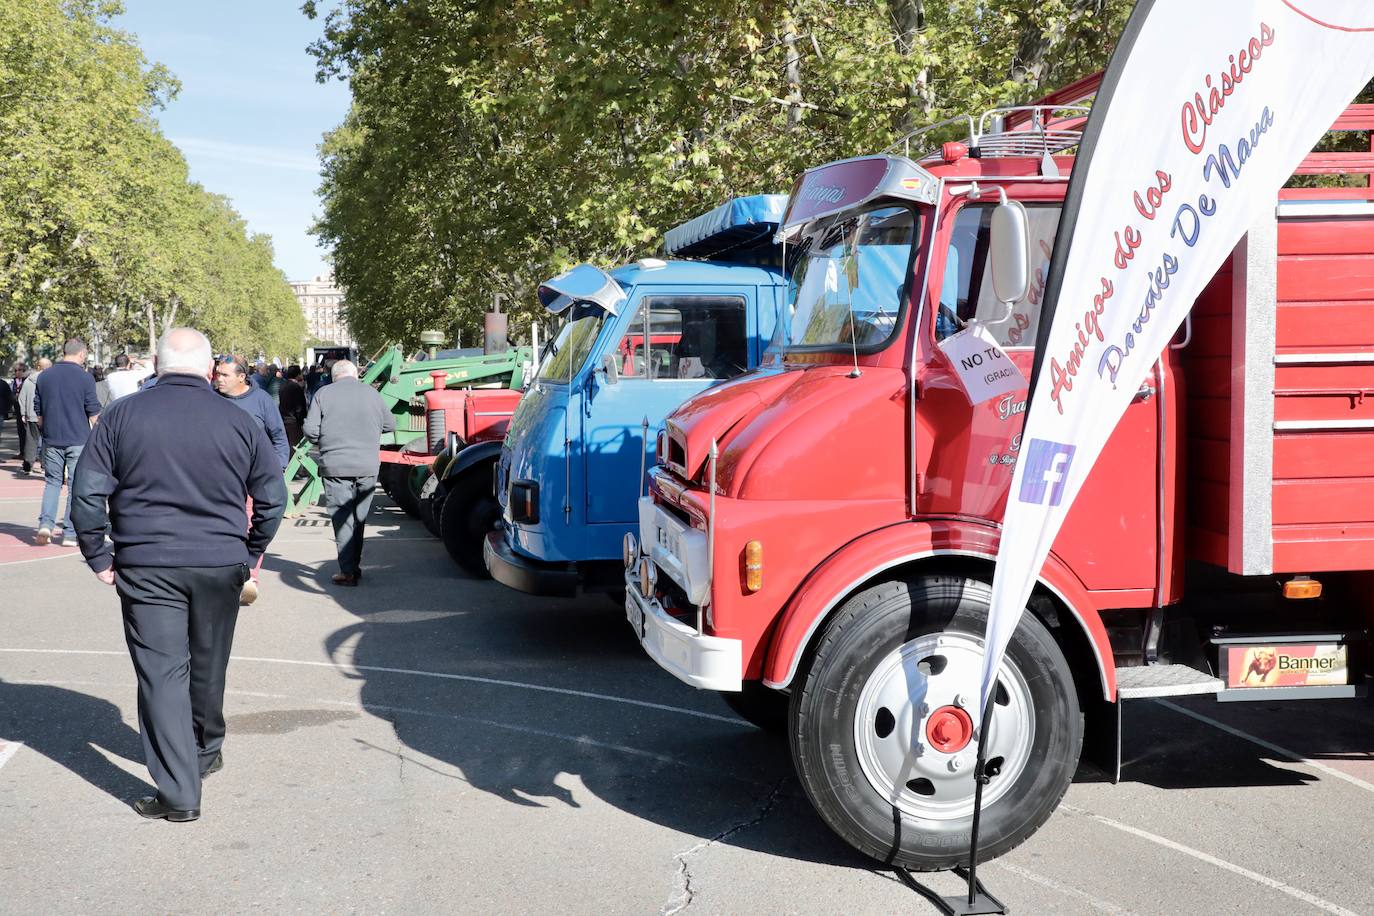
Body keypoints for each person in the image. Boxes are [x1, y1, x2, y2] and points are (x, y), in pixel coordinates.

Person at [71, 328, 286, 822]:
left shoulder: (123, 416)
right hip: (219, 558)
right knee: (209, 662)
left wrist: (98, 554)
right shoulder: (237, 419)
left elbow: (87, 493)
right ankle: (205, 751)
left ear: (155, 361)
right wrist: (251, 550)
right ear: (211, 369)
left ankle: (179, 792)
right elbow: (272, 498)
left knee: (162, 673)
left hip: (148, 561)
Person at [303, 359, 394, 586]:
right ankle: (354, 565)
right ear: (356, 374)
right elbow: (390, 425)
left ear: (334, 376)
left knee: (342, 518)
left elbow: (311, 431)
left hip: (335, 465)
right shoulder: (372, 394)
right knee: (359, 518)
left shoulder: (323, 394)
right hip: (367, 466)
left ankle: (348, 571)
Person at [213, 354, 289, 606]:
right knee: (224, 528)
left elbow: (278, 436)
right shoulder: (211, 399)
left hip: (253, 479)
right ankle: (225, 576)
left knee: (249, 527)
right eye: (217, 373)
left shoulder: (261, 400)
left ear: (241, 376)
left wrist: (277, 468)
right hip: (218, 480)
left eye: (224, 374)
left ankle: (249, 579)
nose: (218, 378)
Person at [33, 341, 100, 545]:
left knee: (52, 483)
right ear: (81, 354)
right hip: (78, 439)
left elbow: (39, 413)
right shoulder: (85, 377)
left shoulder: (44, 376)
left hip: (52, 438)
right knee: (74, 486)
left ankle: (46, 524)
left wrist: (45, 432)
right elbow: (93, 412)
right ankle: (70, 533)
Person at [16, 358, 48, 475]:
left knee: (31, 441)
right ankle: (45, 466)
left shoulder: (28, 380)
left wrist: (23, 413)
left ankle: (28, 466)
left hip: (31, 415)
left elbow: (21, 398)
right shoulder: (48, 380)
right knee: (46, 441)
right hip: (46, 416)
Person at [278, 365, 308, 448]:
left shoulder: (283, 385)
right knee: (296, 446)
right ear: (298, 374)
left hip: (284, 418)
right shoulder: (296, 387)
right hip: (293, 421)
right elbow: (299, 407)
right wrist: (301, 420)